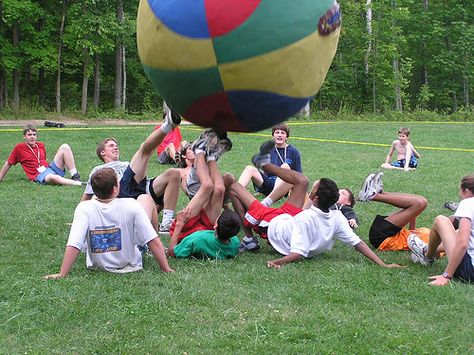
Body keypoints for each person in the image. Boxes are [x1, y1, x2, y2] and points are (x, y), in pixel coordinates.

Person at [231, 141, 402, 270]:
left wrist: (276, 262)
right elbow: (358, 244)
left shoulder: (305, 219)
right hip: (289, 218)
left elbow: (298, 253)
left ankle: (248, 238)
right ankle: (264, 164)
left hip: (272, 225)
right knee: (302, 180)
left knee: (231, 182)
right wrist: (383, 264)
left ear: (317, 199)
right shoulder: (336, 216)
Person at [43, 168, 173, 278]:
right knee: (146, 199)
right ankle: (148, 249)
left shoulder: (84, 208)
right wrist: (166, 269)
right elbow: (153, 240)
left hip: (97, 266)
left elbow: (74, 244)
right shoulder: (131, 204)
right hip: (129, 263)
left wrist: (62, 273)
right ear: (115, 189)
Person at [81, 108, 181, 233]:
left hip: (141, 186)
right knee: (144, 151)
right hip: (121, 188)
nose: (115, 147)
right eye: (111, 146)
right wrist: (80, 217)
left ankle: (166, 224)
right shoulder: (98, 170)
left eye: (116, 146)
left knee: (174, 173)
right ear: (102, 152)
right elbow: (89, 196)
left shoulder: (126, 164)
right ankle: (167, 125)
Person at [166, 128, 240, 259]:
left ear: (217, 223)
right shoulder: (234, 243)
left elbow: (172, 252)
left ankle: (199, 150)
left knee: (207, 186)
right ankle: (211, 156)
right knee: (220, 190)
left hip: (185, 228)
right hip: (207, 228)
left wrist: (179, 224)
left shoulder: (197, 240)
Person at [408, 174, 474, 286]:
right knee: (459, 232)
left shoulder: (468, 203)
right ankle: (426, 249)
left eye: (460, 191)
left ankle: (427, 255)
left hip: (469, 271)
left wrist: (446, 276)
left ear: (466, 191)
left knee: (440, 220)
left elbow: (462, 244)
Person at [358, 172, 431, 251]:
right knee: (422, 200)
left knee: (420, 203)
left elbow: (425, 250)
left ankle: (372, 196)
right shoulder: (433, 233)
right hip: (388, 232)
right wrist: (413, 213)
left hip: (384, 238)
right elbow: (411, 234)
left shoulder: (438, 244)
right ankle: (380, 193)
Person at [238, 123, 302, 207]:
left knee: (285, 166)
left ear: (286, 137)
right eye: (277, 132)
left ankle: (269, 200)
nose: (279, 135)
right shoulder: (267, 149)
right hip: (268, 183)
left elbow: (299, 175)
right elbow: (263, 171)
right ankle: (237, 191)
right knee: (249, 168)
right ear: (273, 136)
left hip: (284, 187)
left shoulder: (293, 151)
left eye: (282, 133)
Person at [0, 124, 82, 186]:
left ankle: (75, 176)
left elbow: (42, 160)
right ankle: (78, 184)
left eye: (34, 134)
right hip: (39, 175)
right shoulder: (19, 148)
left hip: (48, 169)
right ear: (24, 136)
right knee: (53, 177)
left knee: (65, 147)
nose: (32, 137)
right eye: (29, 135)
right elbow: (9, 163)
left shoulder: (40, 145)